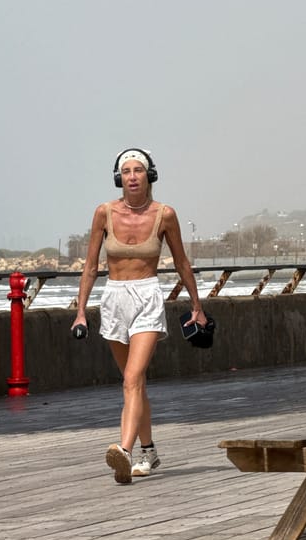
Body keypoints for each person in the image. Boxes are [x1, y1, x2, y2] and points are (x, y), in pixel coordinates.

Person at [71, 147, 207, 484]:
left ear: (149, 176)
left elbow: (181, 263)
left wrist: (197, 306)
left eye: (138, 171)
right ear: (120, 178)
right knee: (136, 384)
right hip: (114, 299)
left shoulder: (165, 215)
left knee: (132, 379)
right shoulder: (104, 213)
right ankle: (149, 450)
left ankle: (124, 450)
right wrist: (80, 313)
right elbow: (90, 266)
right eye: (127, 171)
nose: (132, 176)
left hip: (147, 296)